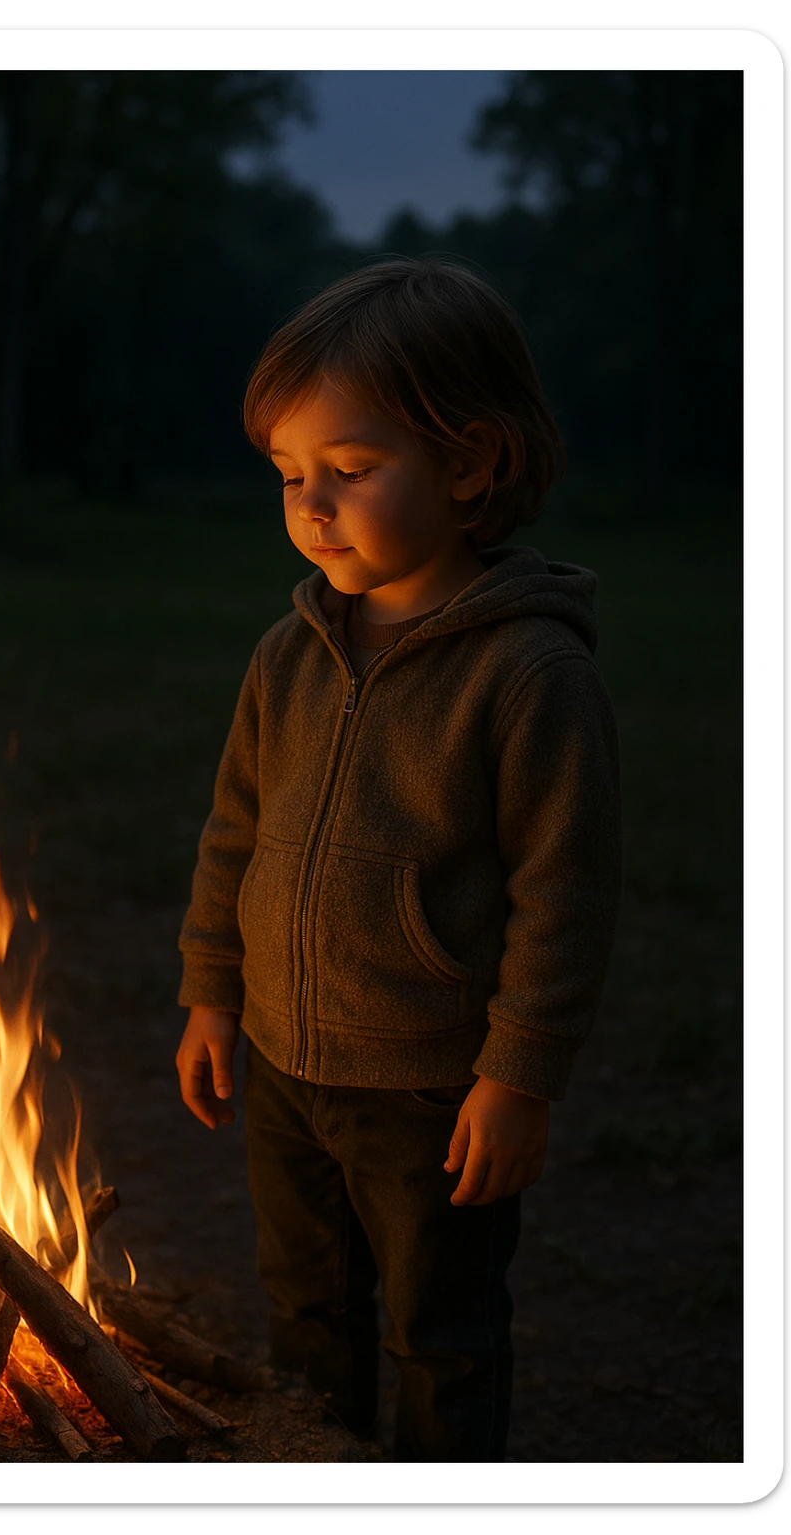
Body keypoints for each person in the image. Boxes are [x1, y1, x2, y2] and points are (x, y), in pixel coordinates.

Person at [174, 258, 622, 1462]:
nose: (311, 505)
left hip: (429, 1085)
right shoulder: (290, 651)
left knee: (443, 1331)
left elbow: (563, 896)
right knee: (304, 1313)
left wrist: (516, 1077)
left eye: (350, 473)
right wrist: (213, 991)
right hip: (282, 1062)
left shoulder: (528, 675)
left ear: (470, 464)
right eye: (288, 476)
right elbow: (237, 829)